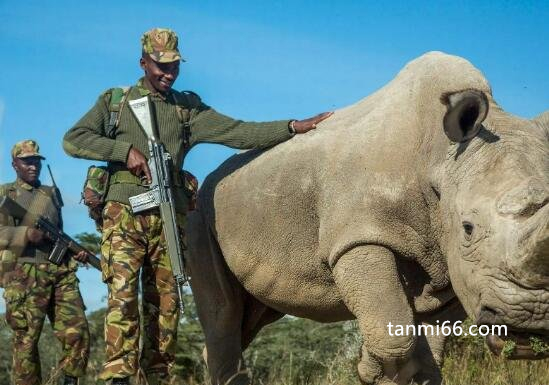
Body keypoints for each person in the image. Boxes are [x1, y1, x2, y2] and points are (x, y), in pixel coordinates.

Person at [62, 28, 332, 385]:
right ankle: (119, 376)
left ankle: (157, 375)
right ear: (143, 62)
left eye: (173, 66)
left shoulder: (186, 108)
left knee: (166, 304)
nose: (168, 74)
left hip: (170, 218)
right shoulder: (116, 102)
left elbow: (238, 131)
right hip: (124, 214)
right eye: (160, 66)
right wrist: (123, 152)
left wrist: (293, 127)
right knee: (123, 296)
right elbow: (73, 139)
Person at [0, 140, 90, 385]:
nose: (33, 166)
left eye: (36, 161)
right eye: (27, 161)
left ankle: (70, 380)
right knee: (26, 341)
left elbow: (59, 234)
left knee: (78, 332)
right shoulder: (5, 193)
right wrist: (24, 234)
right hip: (24, 273)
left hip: (60, 272)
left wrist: (75, 253)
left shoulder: (50, 194)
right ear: (14, 164)